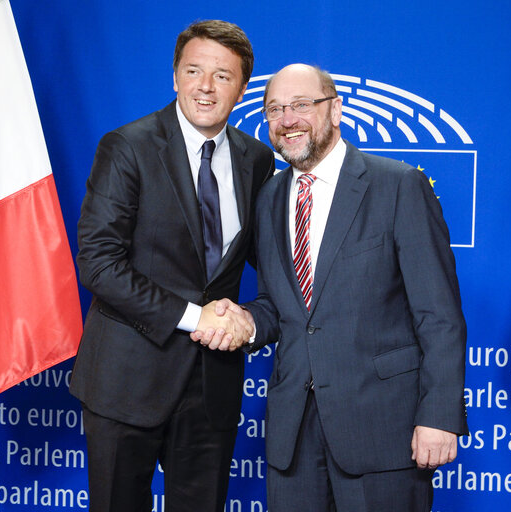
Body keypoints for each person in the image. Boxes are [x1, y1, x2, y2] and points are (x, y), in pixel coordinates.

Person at [196, 63, 468, 511]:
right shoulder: (268, 198)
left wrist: (439, 417)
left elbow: (438, 315)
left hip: (382, 433)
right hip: (293, 438)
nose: (287, 120)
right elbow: (283, 306)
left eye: (302, 105)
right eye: (274, 109)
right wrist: (244, 322)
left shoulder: (398, 186)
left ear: (336, 109)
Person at [70, 20, 274, 512]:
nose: (206, 86)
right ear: (175, 77)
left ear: (242, 88)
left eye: (222, 76)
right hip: (126, 381)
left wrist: (251, 322)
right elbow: (98, 263)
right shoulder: (128, 147)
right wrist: (194, 316)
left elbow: (274, 271)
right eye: (194, 71)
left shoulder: (258, 160)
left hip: (213, 387)